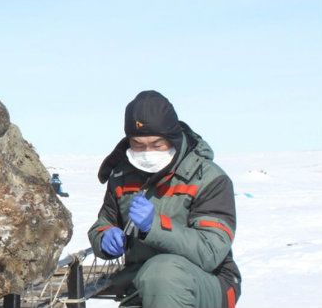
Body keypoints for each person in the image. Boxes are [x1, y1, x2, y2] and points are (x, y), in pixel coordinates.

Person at [87, 90, 241, 308]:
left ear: (173, 139)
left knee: (163, 273)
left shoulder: (209, 179)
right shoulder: (122, 176)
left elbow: (210, 251)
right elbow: (104, 223)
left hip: (209, 282)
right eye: (138, 145)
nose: (147, 152)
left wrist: (154, 227)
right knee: (156, 276)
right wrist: (104, 238)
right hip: (140, 282)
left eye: (157, 145)